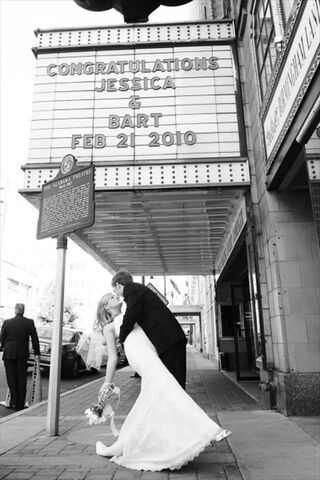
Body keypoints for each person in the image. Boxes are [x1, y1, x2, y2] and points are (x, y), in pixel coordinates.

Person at [93, 292, 231, 471]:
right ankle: (209, 429)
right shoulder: (110, 327)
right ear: (106, 307)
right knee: (169, 387)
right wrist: (107, 382)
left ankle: (145, 443)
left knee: (151, 400)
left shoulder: (131, 314)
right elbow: (112, 358)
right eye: (111, 297)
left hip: (151, 353)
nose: (117, 296)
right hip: (140, 357)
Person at [112, 270, 187, 389]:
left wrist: (121, 337)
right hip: (170, 339)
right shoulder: (138, 290)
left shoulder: (132, 289)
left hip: (170, 339)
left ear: (118, 285)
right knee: (174, 382)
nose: (116, 294)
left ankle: (180, 407)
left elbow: (130, 315)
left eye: (114, 290)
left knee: (175, 383)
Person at [0, 303, 40, 411]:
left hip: (9, 353)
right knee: (21, 378)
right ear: (23, 311)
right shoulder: (29, 322)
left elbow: (2, 338)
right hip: (22, 353)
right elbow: (34, 338)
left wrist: (5, 347)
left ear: (15, 310)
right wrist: (37, 353)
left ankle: (13, 401)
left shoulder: (7, 322)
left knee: (11, 378)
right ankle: (20, 403)